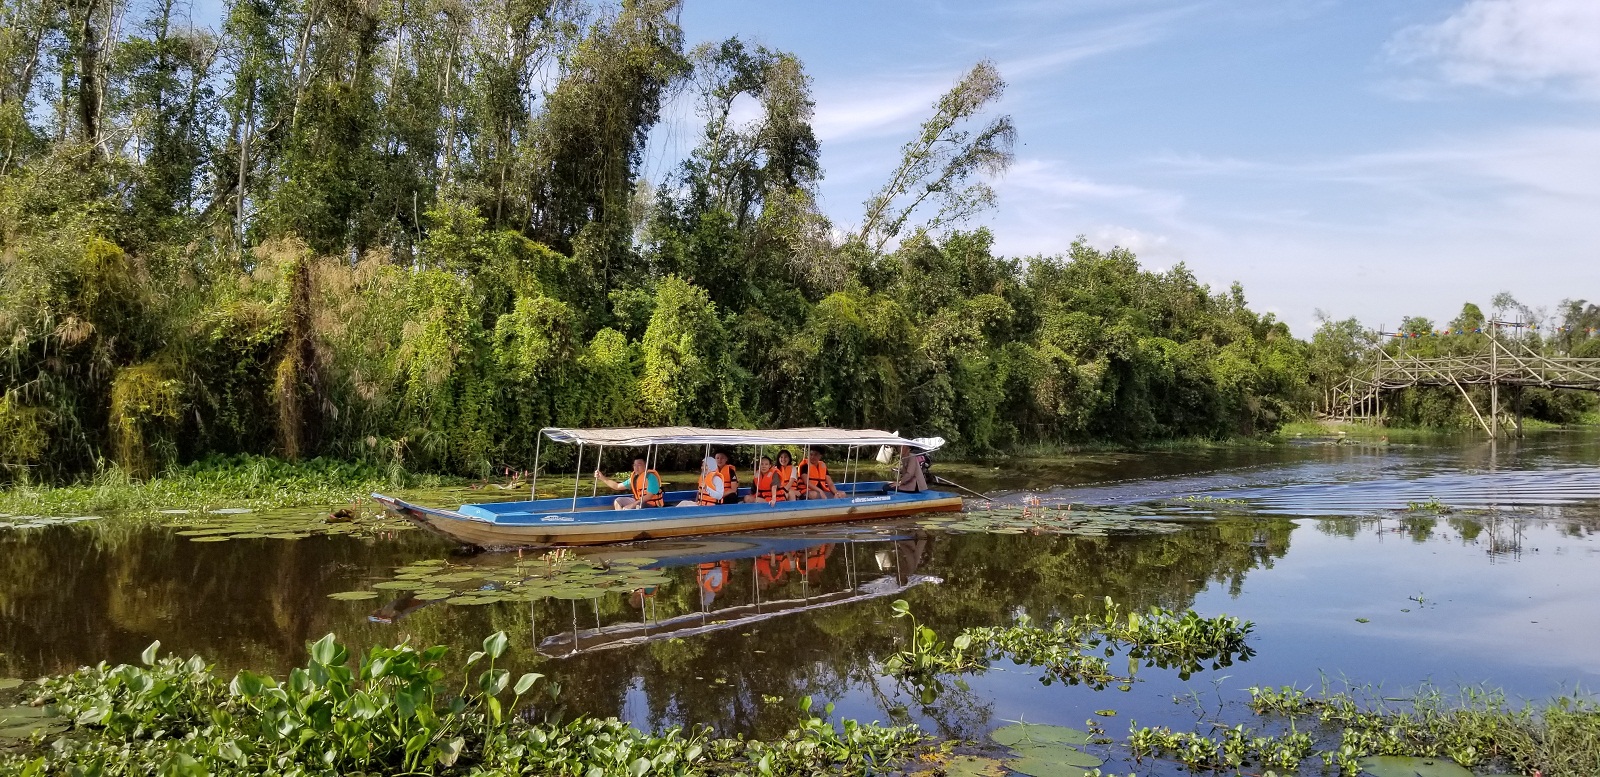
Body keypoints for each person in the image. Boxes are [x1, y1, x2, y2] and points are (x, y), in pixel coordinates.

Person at [595, 458, 664, 509]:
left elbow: (648, 496)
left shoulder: (651, 477)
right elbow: (617, 486)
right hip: (638, 501)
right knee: (618, 501)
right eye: (634, 465)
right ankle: (621, 521)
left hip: (652, 505)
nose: (636, 468)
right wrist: (602, 478)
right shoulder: (635, 478)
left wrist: (632, 505)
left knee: (638, 506)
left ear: (645, 466)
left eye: (639, 465)